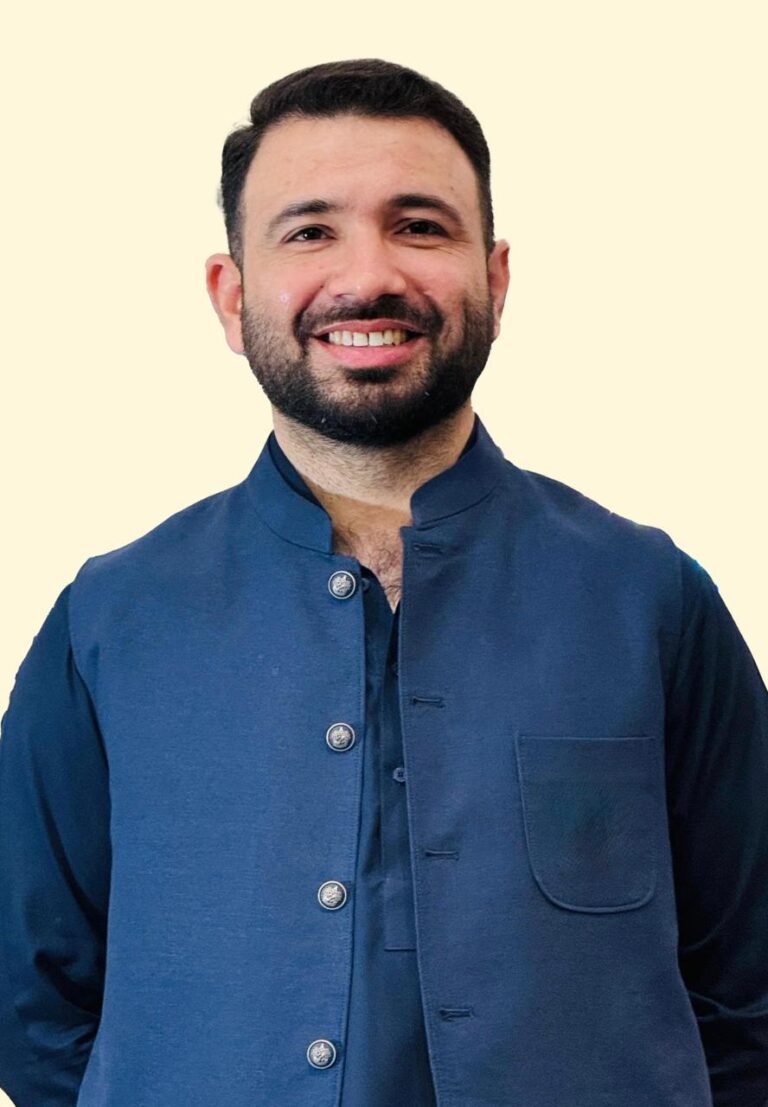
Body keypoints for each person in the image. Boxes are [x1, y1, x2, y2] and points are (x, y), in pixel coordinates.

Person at [0, 57, 766, 1107]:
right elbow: (29, 1001)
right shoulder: (109, 623)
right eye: (310, 231)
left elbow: (751, 992)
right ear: (232, 294)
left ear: (496, 279)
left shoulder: (652, 601)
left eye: (419, 226)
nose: (368, 276)